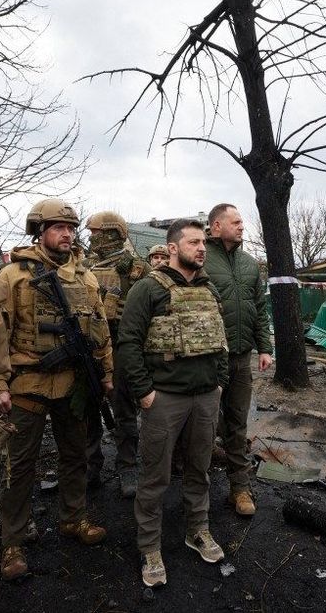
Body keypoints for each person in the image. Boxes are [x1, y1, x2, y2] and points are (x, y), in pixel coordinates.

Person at [0, 199, 113, 580]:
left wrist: (107, 373)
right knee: (19, 466)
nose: (67, 234)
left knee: (75, 455)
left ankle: (73, 519)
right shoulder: (11, 276)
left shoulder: (86, 278)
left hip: (73, 383)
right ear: (39, 231)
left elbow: (101, 328)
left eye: (71, 228)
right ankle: (13, 540)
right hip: (26, 382)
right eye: (59, 227)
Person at [117, 218, 229, 588]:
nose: (202, 248)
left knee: (199, 469)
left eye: (204, 243)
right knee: (155, 477)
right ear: (174, 248)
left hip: (205, 397)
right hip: (164, 399)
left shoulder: (209, 288)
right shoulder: (148, 288)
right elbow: (128, 344)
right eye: (195, 242)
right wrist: (145, 393)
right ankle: (150, 546)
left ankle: (197, 530)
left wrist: (220, 384)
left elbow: (220, 338)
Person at [204, 204, 273, 517]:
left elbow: (259, 308)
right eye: (236, 221)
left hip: (240, 359)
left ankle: (240, 489)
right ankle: (196, 492)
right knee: (202, 424)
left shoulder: (249, 264)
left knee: (238, 425)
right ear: (216, 226)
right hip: (207, 360)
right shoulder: (201, 258)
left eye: (242, 221)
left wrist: (265, 347)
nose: (242, 226)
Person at [83, 211, 148, 497]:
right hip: (88, 347)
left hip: (121, 347)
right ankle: (90, 465)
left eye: (95, 232)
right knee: (86, 409)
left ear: (110, 233)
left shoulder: (136, 268)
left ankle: (127, 465)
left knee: (123, 408)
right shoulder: (83, 267)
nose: (91, 237)